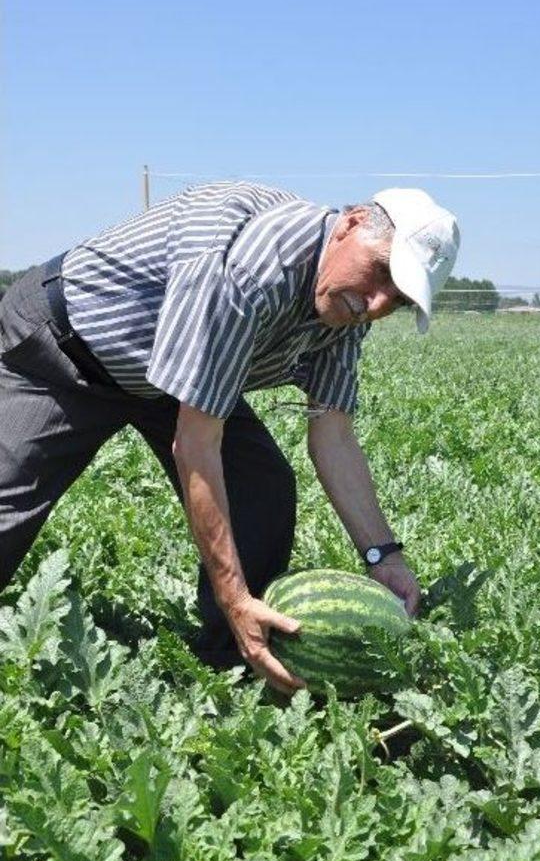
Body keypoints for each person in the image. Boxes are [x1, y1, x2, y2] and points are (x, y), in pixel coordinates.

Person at [0, 182, 459, 694]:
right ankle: (239, 615)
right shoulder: (249, 269)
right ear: (350, 224)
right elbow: (196, 447)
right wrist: (233, 593)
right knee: (6, 504)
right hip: (63, 353)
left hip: (168, 375)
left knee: (260, 489)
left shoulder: (346, 308)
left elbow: (334, 436)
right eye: (380, 272)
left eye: (395, 300)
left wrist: (384, 556)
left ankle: (231, 664)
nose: (374, 303)